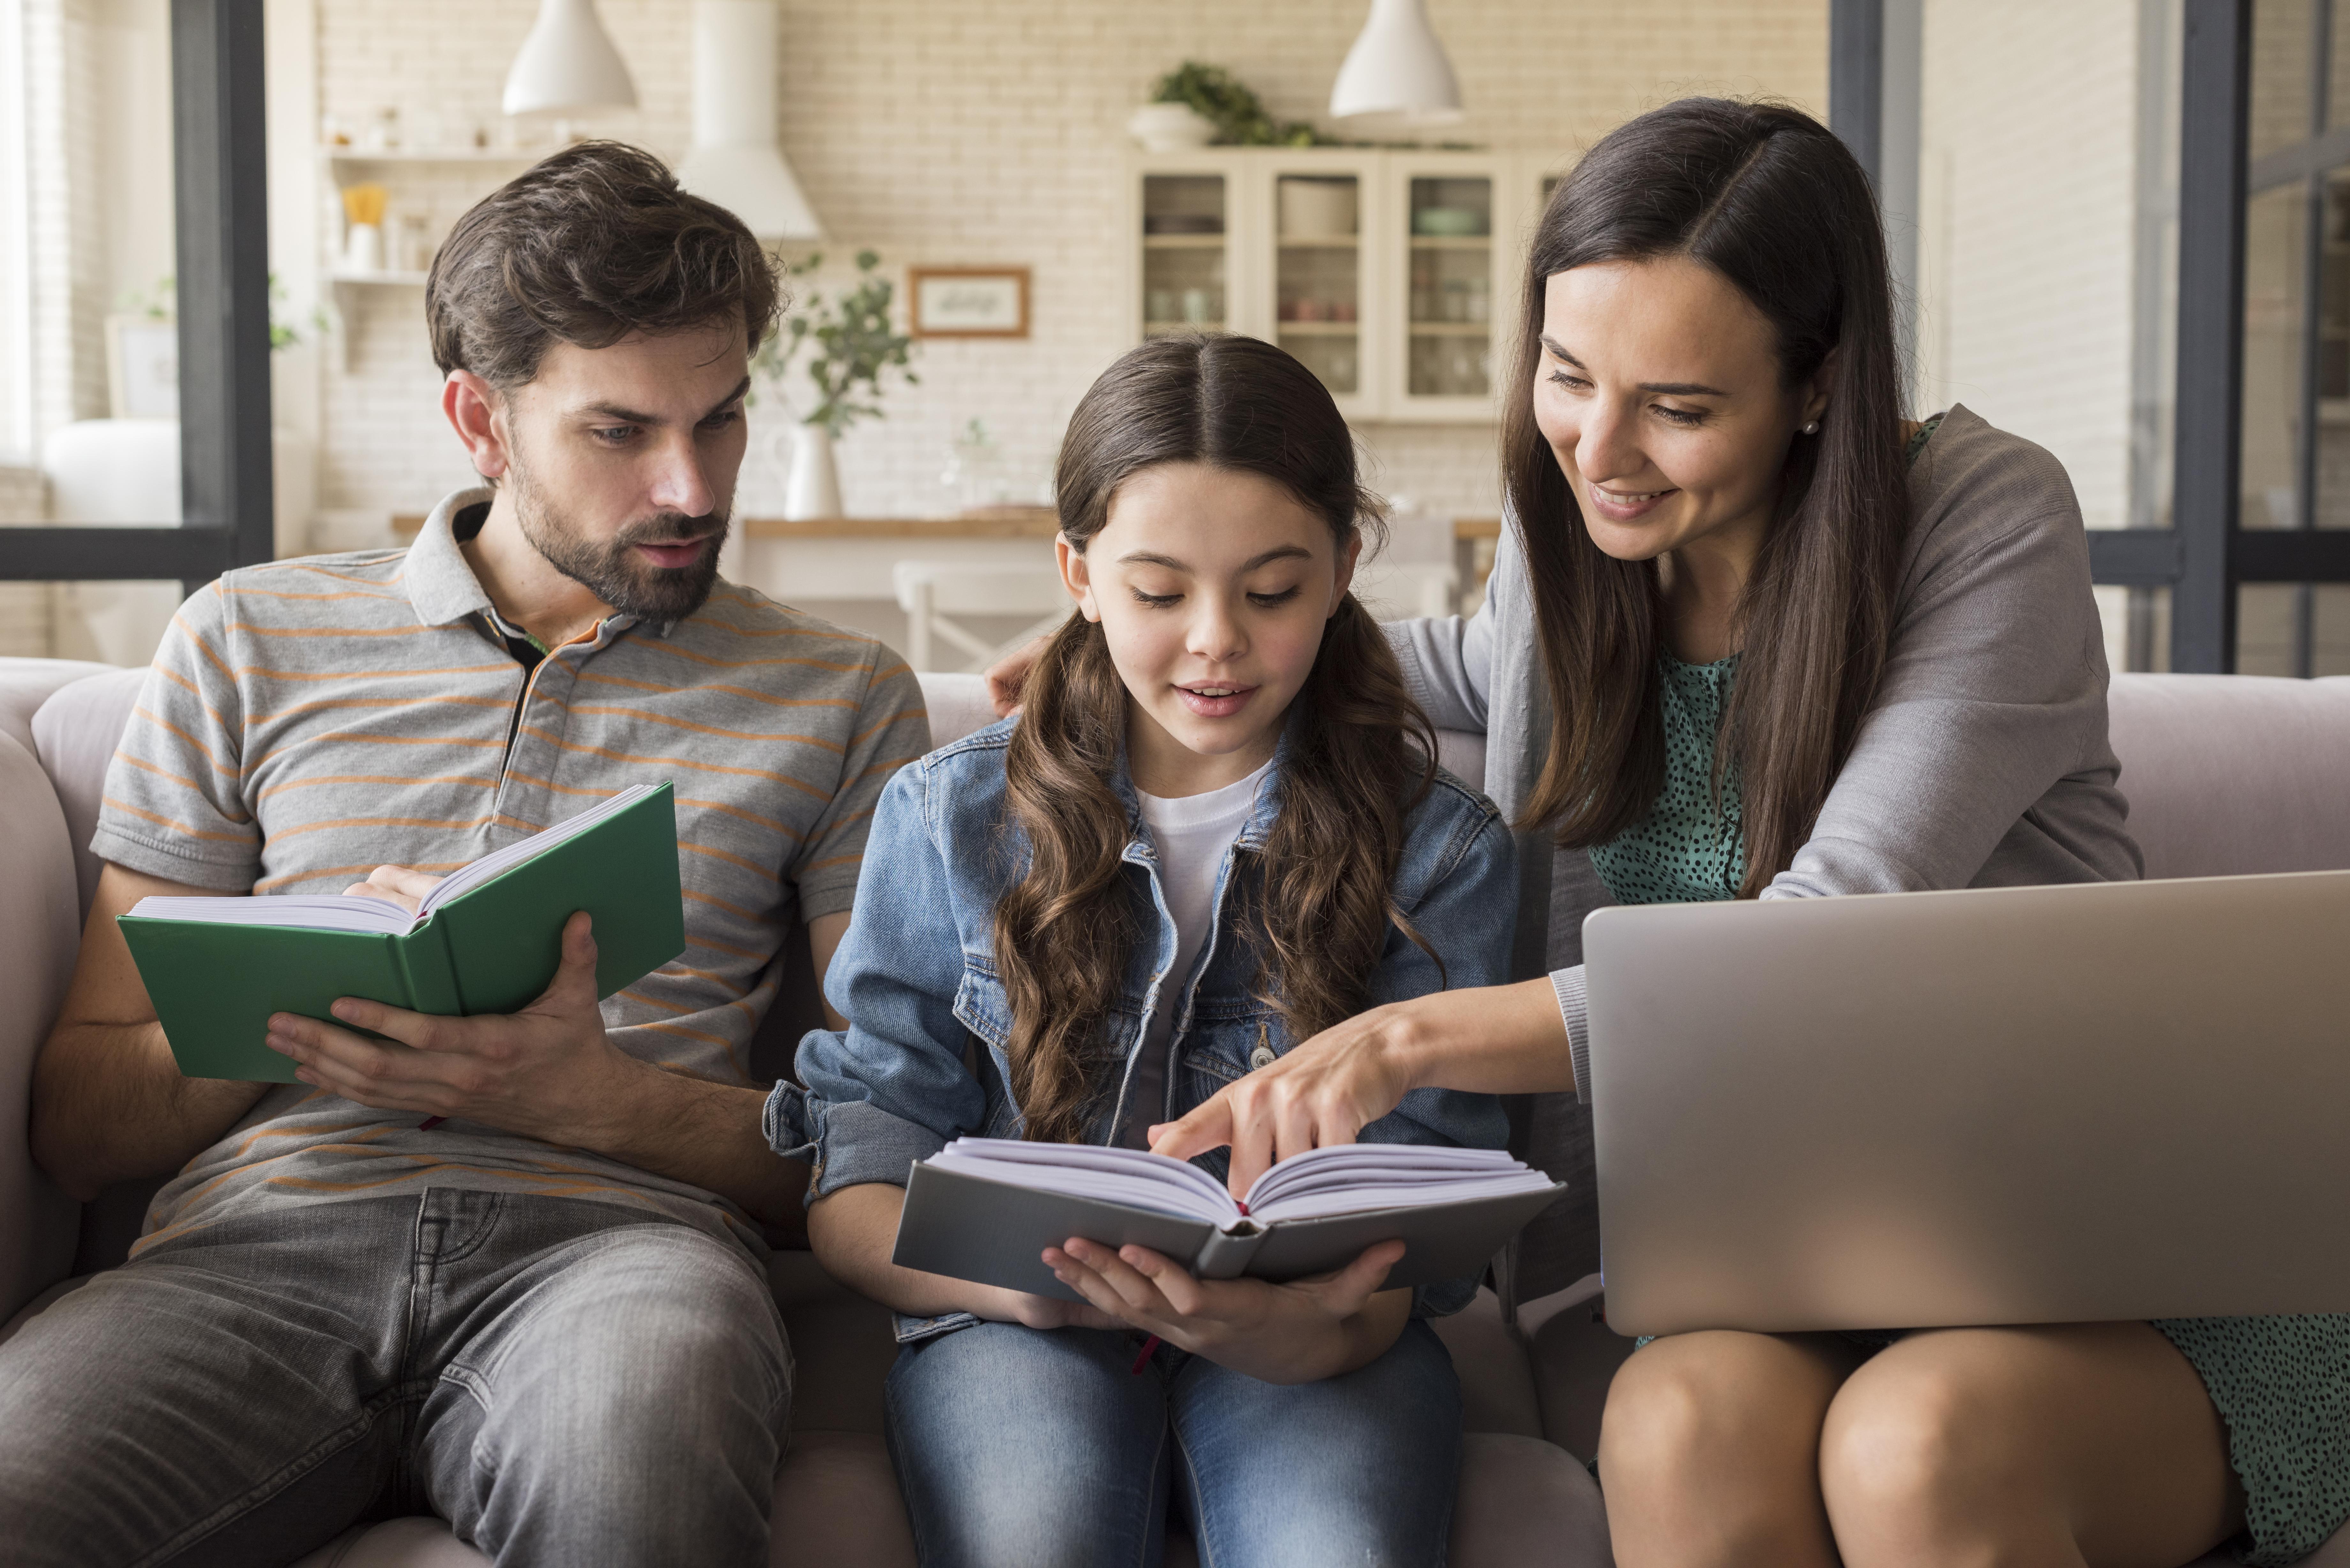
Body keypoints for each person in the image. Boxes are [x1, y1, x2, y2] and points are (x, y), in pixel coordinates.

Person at [990, 99, 2350, 1568]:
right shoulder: (1579, 538)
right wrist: (1164, 614)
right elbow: (1447, 661)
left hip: (2100, 1266)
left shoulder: (1978, 514)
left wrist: (1405, 1041)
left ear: (1817, 383)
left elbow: (1834, 926)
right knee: (1673, 1423)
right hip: (1778, 1262)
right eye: (1568, 377)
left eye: (1678, 407)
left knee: (1918, 1447)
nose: (1600, 448)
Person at [2, 142, 929, 1567]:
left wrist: (597, 1098)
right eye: (619, 432)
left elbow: (886, 1138)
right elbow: (75, 1121)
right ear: (479, 421)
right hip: (253, 1250)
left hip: (623, 1260)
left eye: (723, 419)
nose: (692, 485)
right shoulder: (247, 635)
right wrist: (283, 997)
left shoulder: (841, 693)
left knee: (647, 1483)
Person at [777, 334, 1515, 1568]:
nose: (1216, 641)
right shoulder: (944, 818)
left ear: (1342, 569)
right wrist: (1006, 1286)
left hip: (1314, 1343)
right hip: (1014, 1326)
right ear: (1078, 573)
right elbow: (858, 1162)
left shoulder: (1440, 850)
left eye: (1272, 592)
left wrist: (1319, 1339)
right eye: (1160, 594)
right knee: (1035, 1541)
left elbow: (1436, 1212)